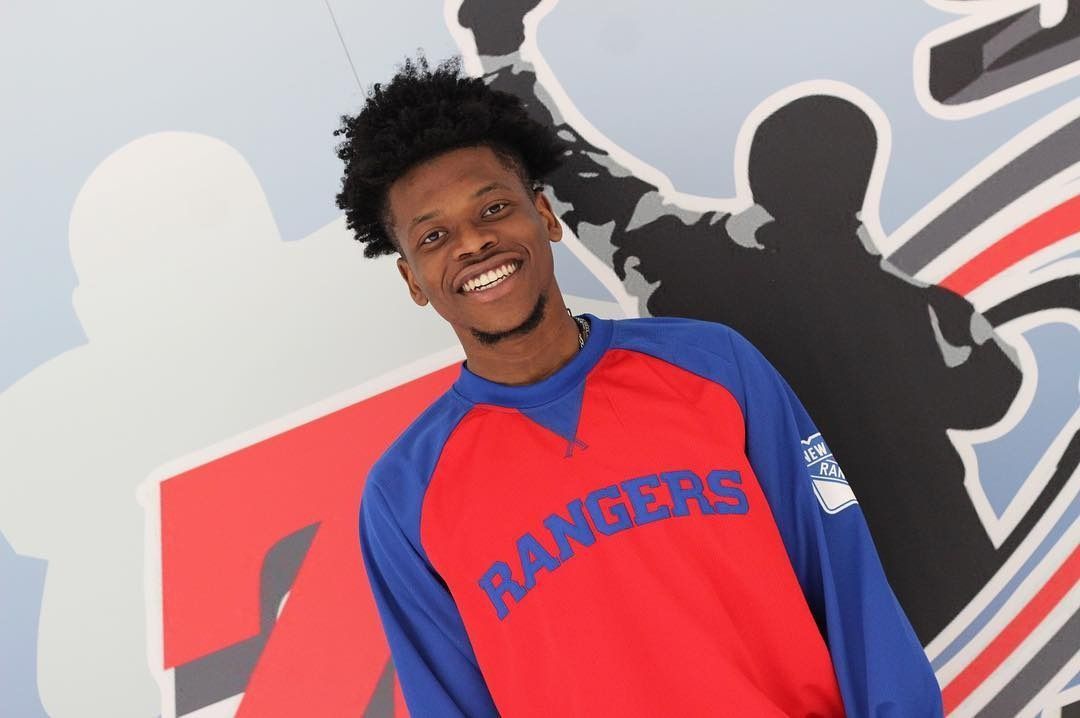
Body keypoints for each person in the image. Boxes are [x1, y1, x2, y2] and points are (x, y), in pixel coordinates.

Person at [336, 56, 943, 717]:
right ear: (413, 281)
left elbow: (846, 579)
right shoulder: (404, 498)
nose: (475, 242)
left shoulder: (716, 368)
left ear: (545, 215)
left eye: (495, 207)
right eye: (434, 235)